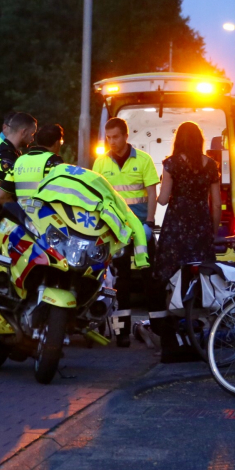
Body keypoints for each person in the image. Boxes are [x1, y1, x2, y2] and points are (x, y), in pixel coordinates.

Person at [154, 121, 221, 362]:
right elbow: (216, 204)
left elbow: (162, 200)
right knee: (200, 278)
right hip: (200, 225)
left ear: (178, 140)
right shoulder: (210, 165)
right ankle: (199, 332)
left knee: (171, 276)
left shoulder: (171, 164)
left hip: (177, 226)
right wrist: (211, 231)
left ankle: (172, 336)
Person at [92, 118, 160, 347]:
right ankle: (121, 334)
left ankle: (158, 330)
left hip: (140, 229)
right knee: (120, 283)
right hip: (116, 232)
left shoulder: (143, 160)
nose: (111, 141)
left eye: (116, 137)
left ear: (126, 136)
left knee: (151, 279)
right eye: (108, 137)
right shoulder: (100, 163)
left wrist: (149, 222)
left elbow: (152, 193)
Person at [0, 112, 37, 224]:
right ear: (24, 132)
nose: (32, 138)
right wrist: (23, 218)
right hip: (0, 223)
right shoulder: (7, 155)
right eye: (32, 134)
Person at [6, 123, 64, 206]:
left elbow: (2, 196)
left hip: (22, 217)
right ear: (57, 143)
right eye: (61, 142)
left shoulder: (19, 161)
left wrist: (20, 213)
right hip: (45, 217)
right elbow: (62, 193)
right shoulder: (54, 161)